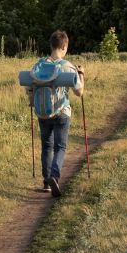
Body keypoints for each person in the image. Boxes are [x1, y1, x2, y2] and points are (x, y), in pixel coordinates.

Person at [25, 30, 85, 198]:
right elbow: (79, 92)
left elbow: (29, 88)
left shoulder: (37, 66)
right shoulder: (67, 66)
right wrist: (81, 74)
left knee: (47, 146)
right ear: (64, 47)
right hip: (61, 111)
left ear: (51, 45)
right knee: (60, 146)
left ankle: (46, 183)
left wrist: (33, 101)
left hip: (42, 112)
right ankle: (54, 176)